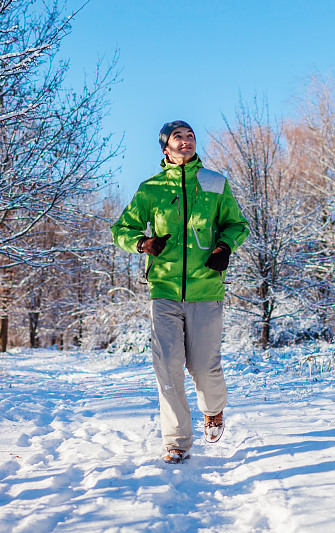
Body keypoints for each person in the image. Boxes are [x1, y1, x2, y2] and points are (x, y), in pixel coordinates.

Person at [111, 120, 249, 464]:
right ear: (165, 149)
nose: (186, 141)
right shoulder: (151, 188)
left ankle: (213, 410)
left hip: (205, 288)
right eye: (178, 137)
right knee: (168, 367)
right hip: (165, 290)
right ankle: (177, 441)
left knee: (204, 368)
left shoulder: (215, 184)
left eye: (190, 136)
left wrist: (224, 246)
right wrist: (143, 243)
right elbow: (120, 229)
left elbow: (237, 224)